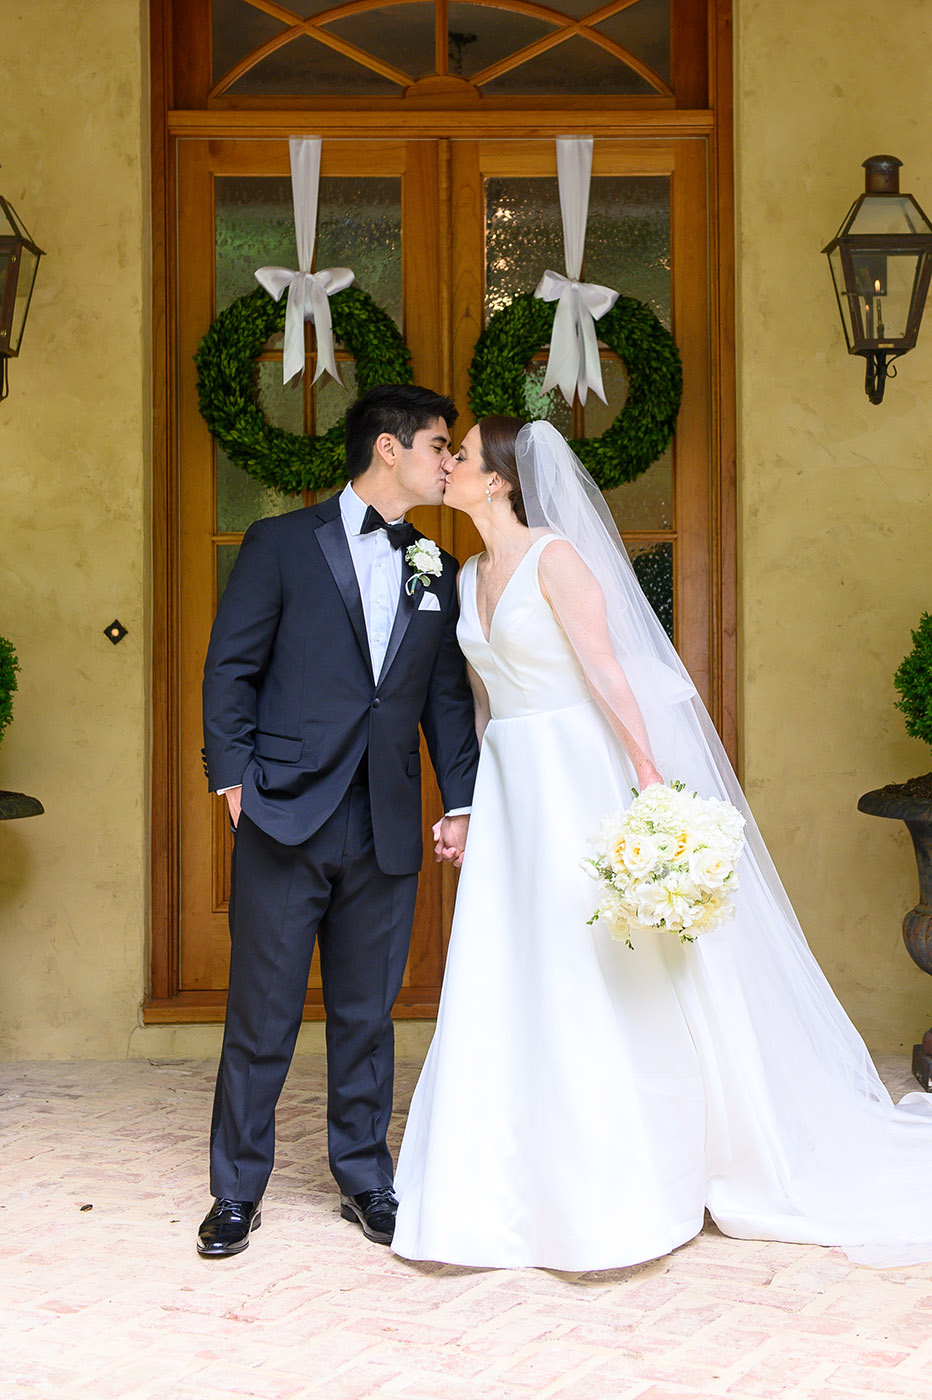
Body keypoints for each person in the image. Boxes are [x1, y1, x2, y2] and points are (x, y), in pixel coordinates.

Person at [392, 415, 932, 1272]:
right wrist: (474, 806)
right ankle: (511, 1170)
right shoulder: (465, 574)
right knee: (515, 958)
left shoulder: (555, 559)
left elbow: (606, 669)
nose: (447, 465)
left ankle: (630, 1168)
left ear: (497, 480)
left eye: (459, 456)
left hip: (577, 772)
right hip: (513, 781)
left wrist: (646, 772)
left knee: (594, 956)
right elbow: (484, 700)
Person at [198, 384, 479, 1258]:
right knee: (262, 1014)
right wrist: (233, 780)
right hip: (285, 811)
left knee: (367, 1015)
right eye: (439, 445)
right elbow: (230, 667)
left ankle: (365, 1178)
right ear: (389, 448)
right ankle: (236, 1190)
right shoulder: (281, 542)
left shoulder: (435, 565)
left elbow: (442, 699)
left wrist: (461, 801)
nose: (449, 461)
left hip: (385, 818)